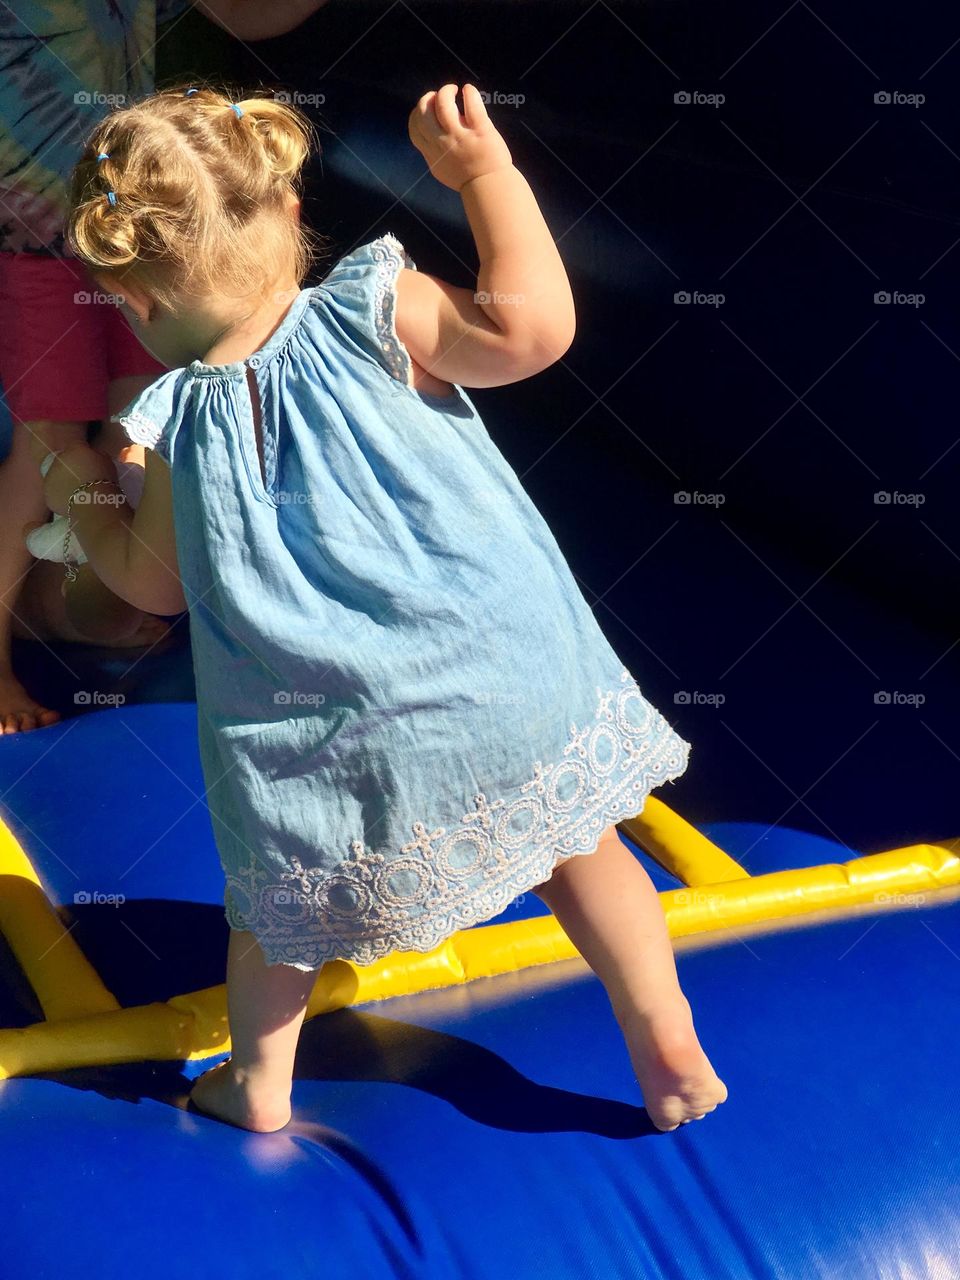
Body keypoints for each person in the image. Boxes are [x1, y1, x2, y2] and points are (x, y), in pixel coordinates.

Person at [44, 82, 728, 1134]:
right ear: (286, 208)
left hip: (333, 743)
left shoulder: (181, 419)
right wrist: (485, 176)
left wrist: (88, 497)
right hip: (501, 671)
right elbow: (532, 331)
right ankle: (664, 1037)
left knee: (277, 917)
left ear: (132, 301)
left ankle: (259, 1083)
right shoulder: (377, 308)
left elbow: (152, 585)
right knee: (584, 849)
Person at [0, 0, 331, 733]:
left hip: (151, 241)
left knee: (134, 434)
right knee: (45, 449)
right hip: (34, 232)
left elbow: (245, 15)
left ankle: (99, 594)